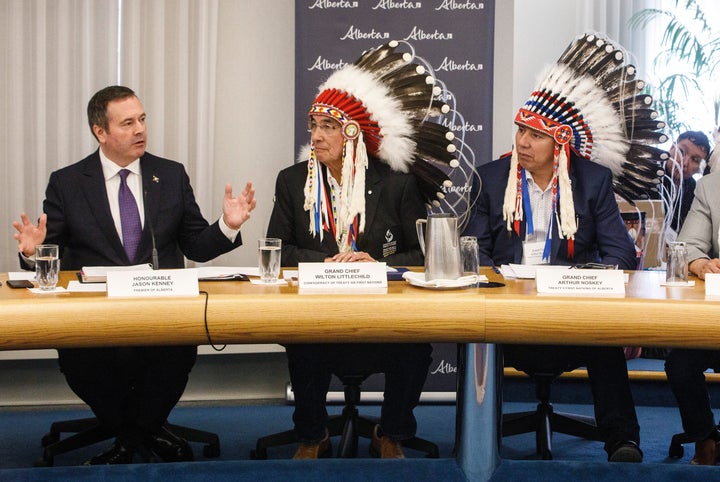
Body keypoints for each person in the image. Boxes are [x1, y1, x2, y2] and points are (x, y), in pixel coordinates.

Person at [12, 85, 256, 465]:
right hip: (92, 317)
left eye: (142, 119)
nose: (140, 129)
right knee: (80, 359)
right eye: (127, 123)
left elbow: (195, 246)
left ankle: (128, 440)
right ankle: (142, 434)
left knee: (176, 353)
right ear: (100, 131)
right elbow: (52, 255)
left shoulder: (169, 175)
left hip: (161, 312)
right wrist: (33, 252)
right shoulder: (68, 182)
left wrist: (227, 224)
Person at [464, 33, 670, 463]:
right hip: (506, 309)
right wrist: (501, 284)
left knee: (604, 337)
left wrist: (581, 279)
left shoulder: (591, 180)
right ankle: (473, 436)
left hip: (570, 308)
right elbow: (475, 251)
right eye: (520, 130)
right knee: (472, 335)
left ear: (559, 144)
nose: (522, 142)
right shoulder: (489, 177)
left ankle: (622, 439)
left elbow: (621, 255)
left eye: (535, 136)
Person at [267, 41, 476, 459]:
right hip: (317, 313)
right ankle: (313, 435)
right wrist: (325, 263)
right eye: (312, 124)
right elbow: (279, 249)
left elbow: (422, 257)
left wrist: (375, 262)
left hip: (383, 315)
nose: (315, 135)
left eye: (327, 126)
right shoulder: (292, 182)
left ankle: (392, 433)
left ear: (352, 132)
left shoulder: (396, 184)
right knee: (301, 343)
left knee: (414, 348)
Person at [664, 168, 720, 465]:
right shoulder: (711, 187)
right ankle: (704, 438)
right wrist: (700, 264)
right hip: (715, 319)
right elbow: (689, 247)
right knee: (680, 363)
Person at [660, 131, 710, 232]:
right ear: (672, 148)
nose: (685, 162)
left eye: (695, 160)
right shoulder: (647, 173)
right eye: (682, 152)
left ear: (699, 169)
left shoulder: (694, 189)